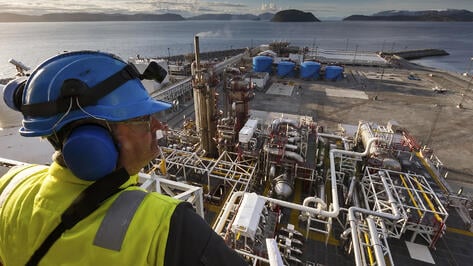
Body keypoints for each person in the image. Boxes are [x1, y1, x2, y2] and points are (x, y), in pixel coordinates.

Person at [0, 51, 247, 266]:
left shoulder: (11, 184)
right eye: (141, 119)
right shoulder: (166, 226)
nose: (158, 125)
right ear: (94, 138)